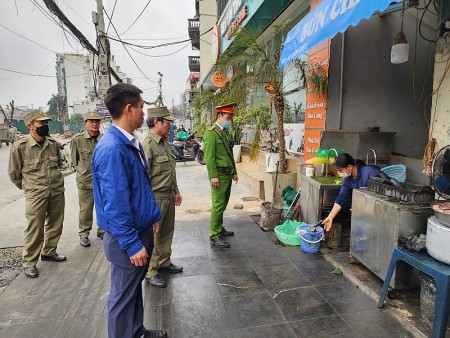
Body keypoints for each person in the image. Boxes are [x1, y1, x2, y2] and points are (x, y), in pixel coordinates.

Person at [91, 83, 167, 338]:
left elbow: (140, 187)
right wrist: (132, 243)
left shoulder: (129, 142)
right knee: (122, 298)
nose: (145, 114)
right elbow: (115, 205)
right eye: (142, 108)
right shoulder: (112, 149)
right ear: (128, 109)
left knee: (133, 290)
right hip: (127, 239)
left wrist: (152, 215)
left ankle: (136, 332)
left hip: (139, 229)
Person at [8, 111, 66, 279]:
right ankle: (29, 262)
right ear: (30, 126)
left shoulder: (53, 144)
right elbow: (14, 174)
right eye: (41, 123)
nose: (45, 126)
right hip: (36, 194)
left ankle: (49, 251)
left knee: (56, 223)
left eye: (46, 123)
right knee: (35, 228)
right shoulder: (20, 147)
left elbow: (59, 165)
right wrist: (29, 188)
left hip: (55, 190)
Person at [142, 106, 183, 288]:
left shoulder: (164, 142)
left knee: (167, 231)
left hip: (168, 195)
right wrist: (148, 207)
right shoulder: (147, 145)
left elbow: (170, 171)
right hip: (155, 198)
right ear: (157, 122)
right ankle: (151, 271)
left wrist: (176, 191)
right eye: (168, 122)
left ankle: (164, 262)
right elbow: (143, 179)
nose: (170, 126)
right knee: (154, 236)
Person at [203, 103, 238, 249]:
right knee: (218, 205)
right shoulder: (211, 133)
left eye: (230, 118)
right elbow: (209, 157)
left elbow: (229, 155)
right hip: (219, 176)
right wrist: (213, 176)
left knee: (222, 204)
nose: (229, 121)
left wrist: (234, 172)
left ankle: (219, 227)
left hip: (227, 175)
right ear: (219, 116)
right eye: (227, 118)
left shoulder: (223, 132)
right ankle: (214, 234)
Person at [322, 153, 382, 232]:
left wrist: (361, 209)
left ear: (349, 167)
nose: (340, 174)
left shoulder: (370, 172)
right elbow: (341, 198)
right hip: (368, 214)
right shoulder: (347, 180)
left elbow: (380, 196)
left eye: (340, 171)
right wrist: (330, 217)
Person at [71, 111, 104, 247]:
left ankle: (102, 230)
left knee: (103, 207)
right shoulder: (77, 140)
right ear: (85, 123)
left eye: (97, 121)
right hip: (85, 181)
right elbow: (74, 160)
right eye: (91, 121)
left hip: (102, 181)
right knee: (85, 209)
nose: (94, 124)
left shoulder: (105, 139)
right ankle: (84, 234)